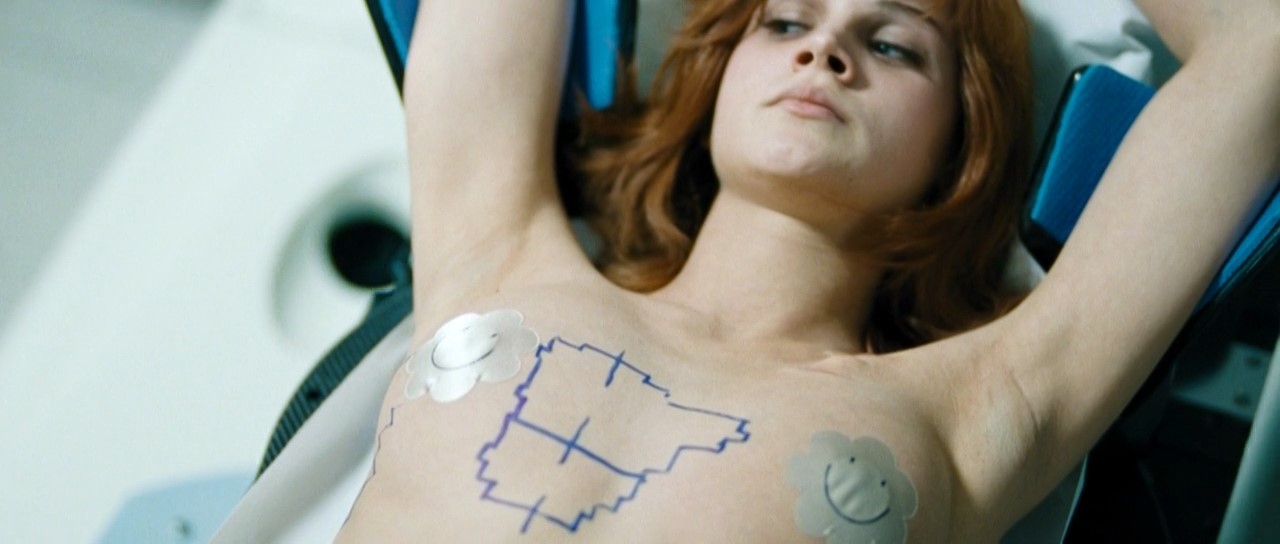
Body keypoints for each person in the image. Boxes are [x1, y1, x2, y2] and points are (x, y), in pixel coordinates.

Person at [335, 0, 1279, 541]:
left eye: (892, 43)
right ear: (719, 72)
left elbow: (1263, 43)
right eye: (785, 18)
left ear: (963, 142)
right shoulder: (496, 251)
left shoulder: (975, 410)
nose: (823, 48)